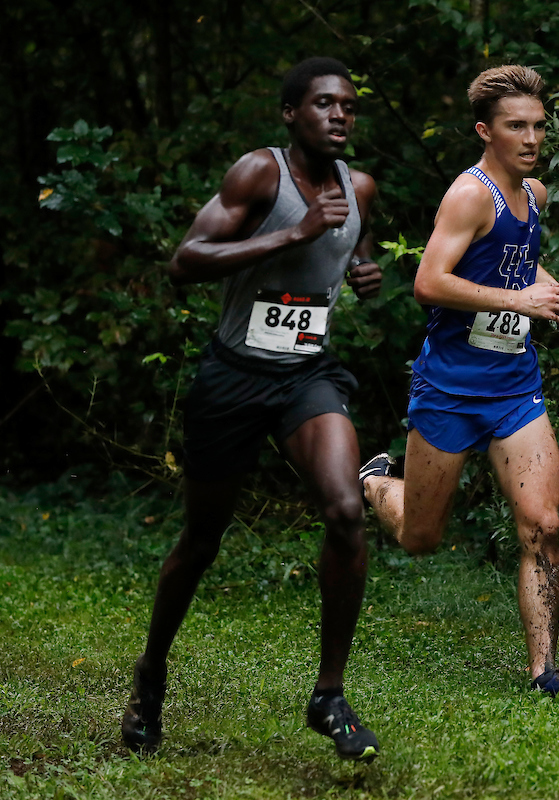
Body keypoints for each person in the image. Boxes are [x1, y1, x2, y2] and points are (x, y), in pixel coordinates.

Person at [121, 57, 382, 762]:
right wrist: (289, 236)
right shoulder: (258, 175)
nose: (339, 116)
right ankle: (151, 676)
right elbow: (187, 259)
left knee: (345, 512)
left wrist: (365, 272)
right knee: (200, 543)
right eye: (324, 104)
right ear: (291, 113)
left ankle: (328, 693)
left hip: (306, 376)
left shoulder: (360, 188)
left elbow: (352, 253)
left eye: (349, 107)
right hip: (234, 376)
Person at [359, 65, 559, 697]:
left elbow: (519, 263)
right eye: (515, 126)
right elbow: (427, 283)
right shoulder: (469, 196)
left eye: (538, 126)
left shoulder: (535, 196)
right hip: (449, 389)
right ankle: (372, 484)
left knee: (543, 523)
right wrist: (521, 304)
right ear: (484, 131)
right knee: (420, 537)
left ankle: (546, 673)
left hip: (513, 387)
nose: (530, 138)